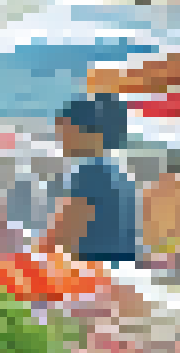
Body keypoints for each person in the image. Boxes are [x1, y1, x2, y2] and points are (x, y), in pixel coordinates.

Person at [44, 94, 139, 271]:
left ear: (91, 133)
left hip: (93, 271)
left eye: (65, 131)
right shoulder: (118, 172)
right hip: (121, 270)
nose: (61, 139)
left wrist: (41, 250)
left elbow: (68, 231)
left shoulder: (89, 172)